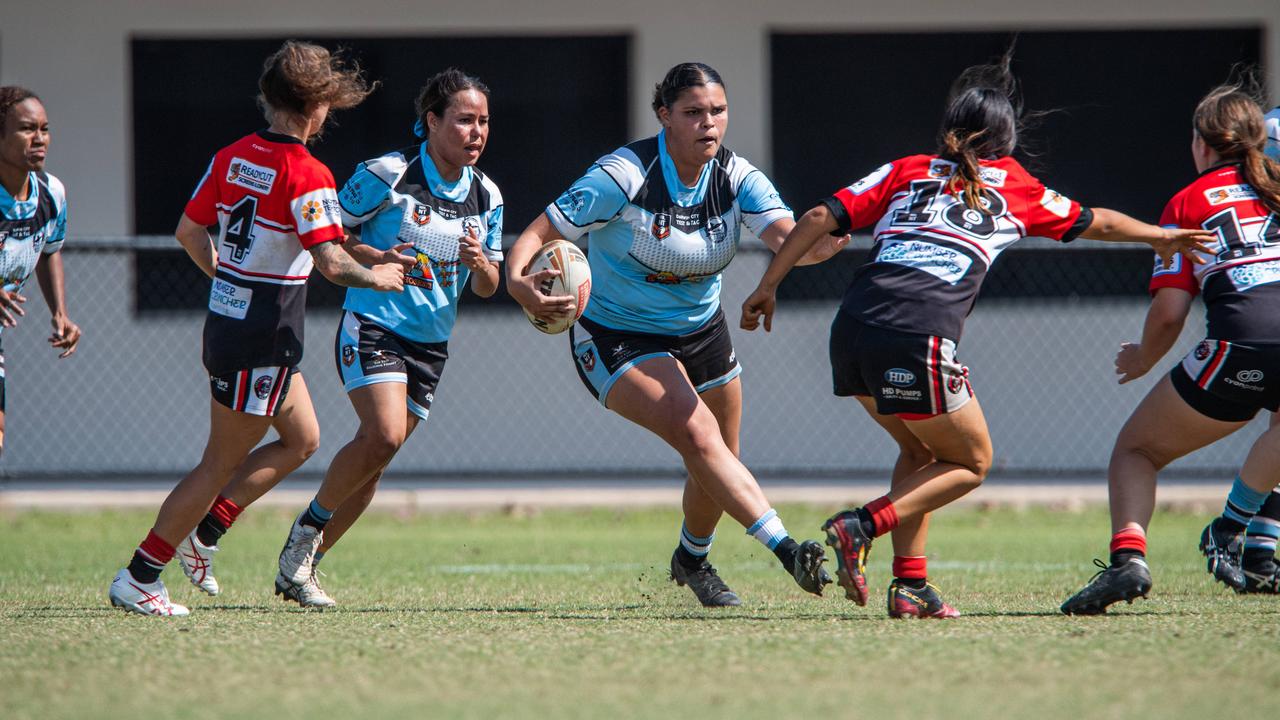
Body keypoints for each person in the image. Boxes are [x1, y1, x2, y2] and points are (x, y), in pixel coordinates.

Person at [740, 53, 1213, 618]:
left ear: (949, 132)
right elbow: (1097, 220)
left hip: (852, 329)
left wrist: (769, 285)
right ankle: (860, 525)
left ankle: (910, 585)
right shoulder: (1015, 186)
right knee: (972, 461)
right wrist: (1158, 237)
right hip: (919, 334)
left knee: (918, 449)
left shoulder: (907, 170)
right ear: (1007, 143)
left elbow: (818, 217)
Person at [505, 62, 844, 607]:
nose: (708, 123)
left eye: (718, 111)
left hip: (702, 329)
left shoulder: (738, 178)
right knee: (700, 437)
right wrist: (518, 282)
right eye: (692, 112)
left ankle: (691, 559)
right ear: (664, 115)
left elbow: (789, 236)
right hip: (617, 334)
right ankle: (787, 550)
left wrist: (822, 241)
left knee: (721, 454)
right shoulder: (623, 174)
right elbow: (539, 231)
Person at [107, 40, 408, 617]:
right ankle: (141, 573)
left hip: (233, 325)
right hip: (263, 336)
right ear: (318, 108)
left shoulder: (231, 156)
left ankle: (205, 536)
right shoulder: (309, 171)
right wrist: (379, 277)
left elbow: (190, 234)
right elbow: (329, 263)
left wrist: (232, 278)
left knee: (303, 439)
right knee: (218, 462)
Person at [272, 68, 503, 606]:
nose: (477, 132)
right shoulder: (388, 173)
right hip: (373, 323)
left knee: (375, 462)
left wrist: (480, 265)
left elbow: (490, 285)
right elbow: (329, 231)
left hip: (431, 343)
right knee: (384, 435)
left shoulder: (487, 194)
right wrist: (376, 257)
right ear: (431, 121)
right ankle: (304, 535)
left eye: (484, 122)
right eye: (465, 120)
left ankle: (303, 568)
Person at [1061, 83, 1280, 613]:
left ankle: (1129, 559)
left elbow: (1169, 312)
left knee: (1137, 451)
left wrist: (1142, 358)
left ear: (1203, 145)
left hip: (1239, 347)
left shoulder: (1188, 202)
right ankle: (1235, 528)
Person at [0, 87, 81, 454]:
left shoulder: (51, 193)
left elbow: (50, 250)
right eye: (26, 129)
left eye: (44, 129)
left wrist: (60, 313)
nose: (39, 139)